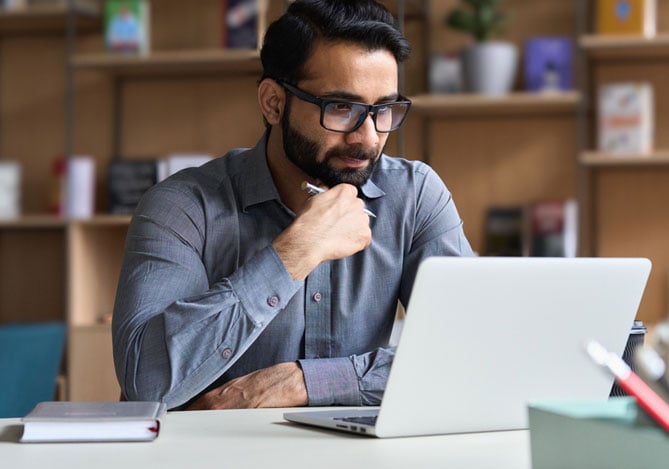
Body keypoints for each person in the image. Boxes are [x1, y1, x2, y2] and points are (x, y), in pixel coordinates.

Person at [112, 0, 473, 411]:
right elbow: (146, 383)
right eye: (341, 107)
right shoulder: (182, 208)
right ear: (273, 103)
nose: (369, 137)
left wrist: (304, 382)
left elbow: (473, 350)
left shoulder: (415, 195)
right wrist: (293, 253)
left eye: (383, 110)